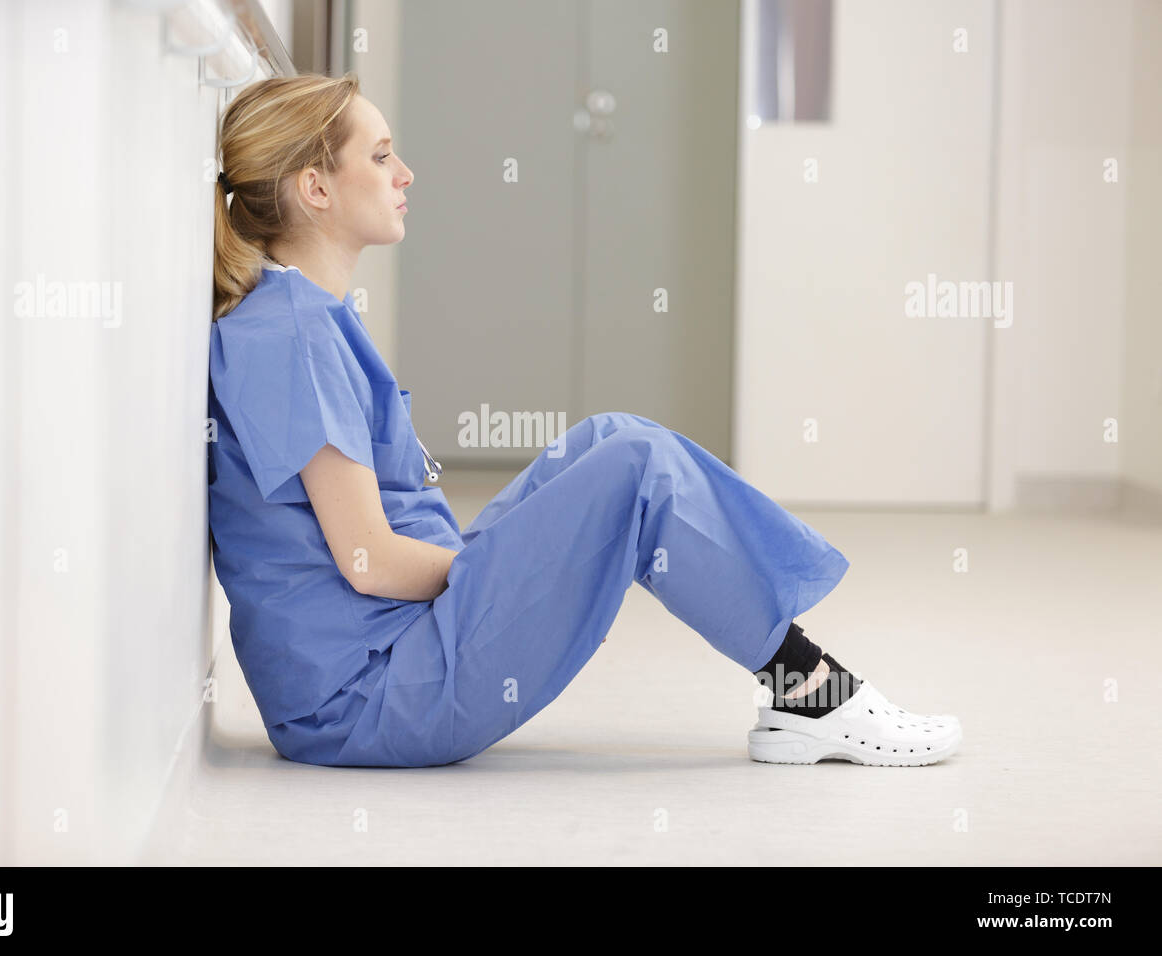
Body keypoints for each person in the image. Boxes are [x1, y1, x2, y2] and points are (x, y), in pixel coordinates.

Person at [207, 73, 961, 769]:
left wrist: (518, 566)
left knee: (606, 438)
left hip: (392, 653)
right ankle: (813, 692)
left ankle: (801, 687)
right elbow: (367, 560)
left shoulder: (303, 316)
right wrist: (506, 572)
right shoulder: (293, 336)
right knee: (634, 469)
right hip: (369, 697)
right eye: (380, 157)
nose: (405, 174)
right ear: (315, 188)